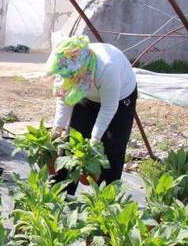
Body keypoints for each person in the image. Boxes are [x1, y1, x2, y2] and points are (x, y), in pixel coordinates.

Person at [47, 35, 137, 195]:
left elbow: (109, 106)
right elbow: (64, 97)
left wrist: (95, 137)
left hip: (121, 98)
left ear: (82, 70)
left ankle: (106, 199)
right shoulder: (66, 64)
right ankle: (61, 191)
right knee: (72, 139)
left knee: (113, 147)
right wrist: (57, 127)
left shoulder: (107, 67)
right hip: (87, 95)